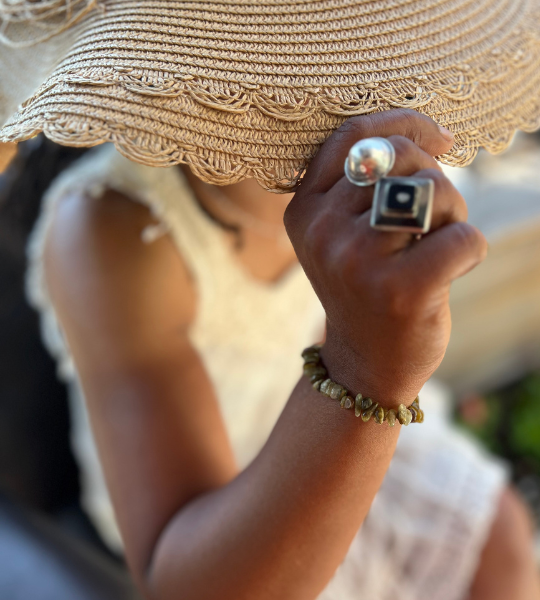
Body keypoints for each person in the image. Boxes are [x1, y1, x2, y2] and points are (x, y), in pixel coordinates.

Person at [2, 2, 540, 599]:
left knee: (503, 546)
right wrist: (368, 368)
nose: (386, 103)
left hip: (336, 421)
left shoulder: (385, 154)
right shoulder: (118, 234)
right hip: (231, 512)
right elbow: (190, 580)